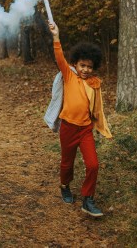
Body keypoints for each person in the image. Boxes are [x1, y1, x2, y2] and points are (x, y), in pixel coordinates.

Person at [47, 21, 112, 217]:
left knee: (93, 164)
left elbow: (96, 109)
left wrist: (100, 126)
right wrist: (56, 36)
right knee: (67, 163)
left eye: (89, 67)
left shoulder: (93, 84)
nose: (85, 69)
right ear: (75, 64)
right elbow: (59, 57)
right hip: (68, 128)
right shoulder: (69, 76)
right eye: (82, 65)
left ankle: (88, 199)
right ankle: (65, 185)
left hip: (85, 130)